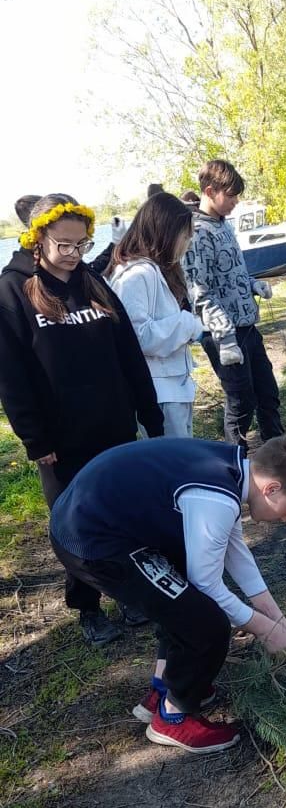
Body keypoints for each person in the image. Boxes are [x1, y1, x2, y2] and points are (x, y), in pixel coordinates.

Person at [49, 434, 286, 754]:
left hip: (99, 521)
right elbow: (206, 584)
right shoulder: (217, 498)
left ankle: (164, 687)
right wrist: (264, 629)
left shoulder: (232, 471)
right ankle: (173, 718)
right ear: (271, 488)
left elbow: (236, 552)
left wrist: (274, 615)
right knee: (206, 622)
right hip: (92, 540)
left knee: (181, 599)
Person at [0, 193, 164, 644]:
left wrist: (149, 414)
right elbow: (11, 375)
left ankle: (130, 593)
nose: (74, 255)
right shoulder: (12, 291)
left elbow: (129, 353)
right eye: (64, 245)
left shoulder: (93, 284)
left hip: (114, 428)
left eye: (82, 245)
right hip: (62, 441)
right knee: (77, 525)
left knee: (127, 514)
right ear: (38, 240)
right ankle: (88, 607)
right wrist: (36, 438)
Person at [183, 158, 280, 447]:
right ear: (210, 191)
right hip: (223, 336)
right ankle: (234, 469)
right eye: (231, 195)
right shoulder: (196, 234)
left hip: (247, 327)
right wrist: (224, 338)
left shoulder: (224, 225)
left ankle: (279, 457)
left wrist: (252, 285)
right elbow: (197, 292)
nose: (236, 201)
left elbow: (229, 273)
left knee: (268, 393)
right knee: (241, 403)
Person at [108, 192, 204, 438]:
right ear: (166, 234)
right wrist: (188, 324)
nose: (188, 243)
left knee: (182, 460)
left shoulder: (158, 270)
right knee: (172, 465)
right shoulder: (136, 275)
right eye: (185, 236)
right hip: (158, 390)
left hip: (173, 385)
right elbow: (137, 336)